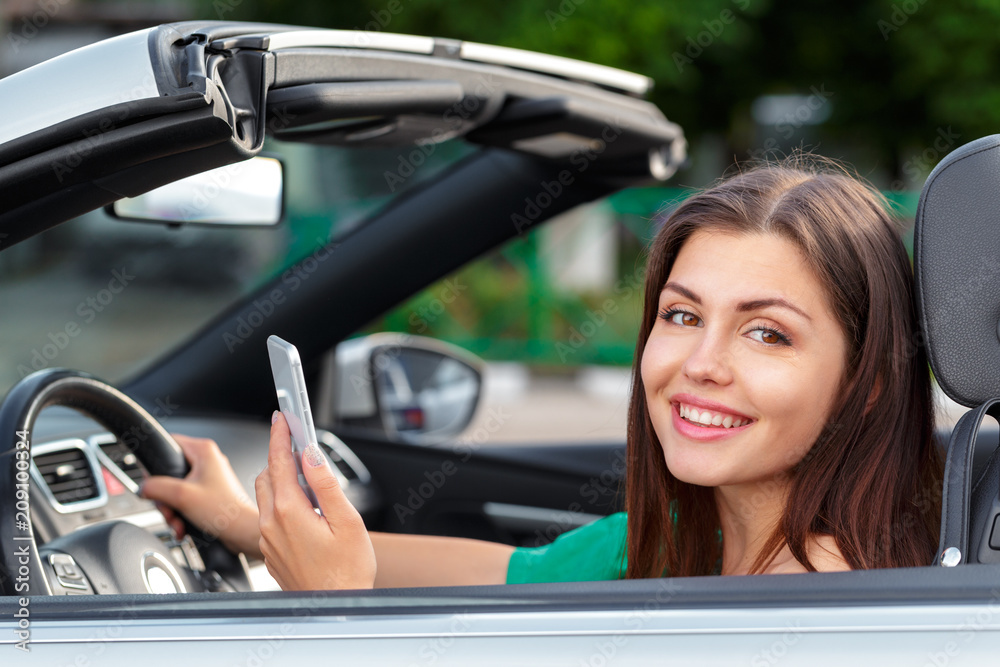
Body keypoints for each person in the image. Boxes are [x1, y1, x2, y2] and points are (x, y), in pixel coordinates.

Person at [141, 156, 943, 590]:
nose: (701, 364)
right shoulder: (679, 544)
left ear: (864, 381)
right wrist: (247, 524)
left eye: (767, 333)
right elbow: (503, 571)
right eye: (683, 315)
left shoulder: (817, 603)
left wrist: (337, 618)